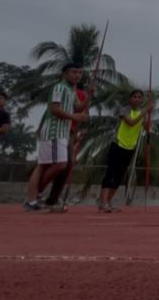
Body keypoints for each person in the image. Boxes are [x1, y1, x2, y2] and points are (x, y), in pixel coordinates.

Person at [23, 64, 88, 211]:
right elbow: (54, 108)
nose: (77, 75)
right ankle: (34, 195)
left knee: (46, 164)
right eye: (74, 72)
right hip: (54, 130)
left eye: (79, 73)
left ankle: (32, 198)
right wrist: (74, 117)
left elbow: (78, 107)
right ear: (65, 73)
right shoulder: (59, 88)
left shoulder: (72, 90)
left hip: (62, 132)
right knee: (59, 164)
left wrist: (88, 95)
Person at [97, 90, 151, 212]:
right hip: (118, 144)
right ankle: (103, 202)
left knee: (119, 175)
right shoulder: (124, 110)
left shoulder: (142, 114)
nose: (137, 99)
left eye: (139, 97)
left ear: (142, 100)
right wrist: (145, 111)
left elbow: (147, 128)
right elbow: (131, 123)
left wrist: (148, 116)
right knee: (110, 173)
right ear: (130, 99)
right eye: (135, 97)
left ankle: (109, 202)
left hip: (130, 147)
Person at [44, 78, 91, 208]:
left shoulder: (77, 93)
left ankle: (51, 198)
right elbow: (79, 113)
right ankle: (41, 194)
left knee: (60, 165)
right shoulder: (75, 92)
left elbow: (83, 114)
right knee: (61, 165)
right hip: (64, 130)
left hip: (70, 130)